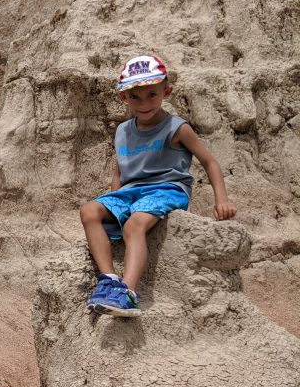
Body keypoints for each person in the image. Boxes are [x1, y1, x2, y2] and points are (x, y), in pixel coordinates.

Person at [80, 55, 237, 317]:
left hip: (166, 188)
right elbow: (120, 168)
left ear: (167, 91)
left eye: (152, 95)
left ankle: (128, 292)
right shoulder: (122, 131)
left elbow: (209, 162)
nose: (144, 103)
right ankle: (109, 280)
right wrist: (115, 199)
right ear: (123, 98)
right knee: (89, 211)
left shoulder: (177, 128)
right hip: (130, 193)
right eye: (136, 97)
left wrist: (221, 200)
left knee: (134, 224)